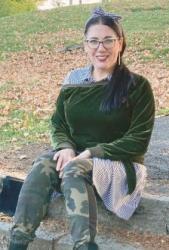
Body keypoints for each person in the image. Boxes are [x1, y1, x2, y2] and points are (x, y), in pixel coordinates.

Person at [8, 7, 155, 250]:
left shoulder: (137, 85)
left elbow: (138, 140)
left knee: (75, 168)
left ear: (121, 43)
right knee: (44, 163)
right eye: (94, 41)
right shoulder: (74, 79)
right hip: (78, 157)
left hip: (119, 163)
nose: (101, 48)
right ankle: (18, 241)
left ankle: (84, 246)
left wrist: (90, 153)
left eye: (108, 40)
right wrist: (65, 147)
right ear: (85, 45)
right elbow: (58, 122)